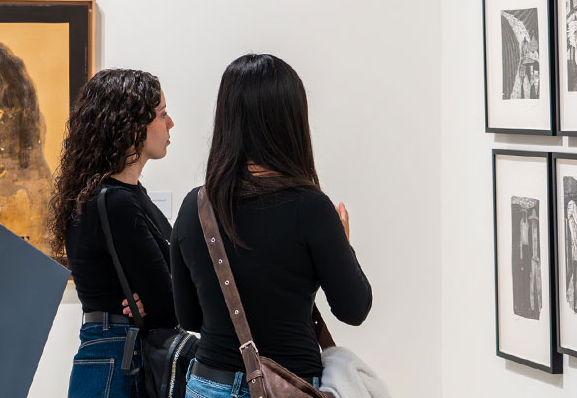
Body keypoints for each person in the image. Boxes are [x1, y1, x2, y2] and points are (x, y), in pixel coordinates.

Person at [170, 53, 373, 398]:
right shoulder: (311, 207)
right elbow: (354, 309)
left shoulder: (196, 207)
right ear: (290, 120)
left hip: (208, 384)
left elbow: (189, 318)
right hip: (290, 385)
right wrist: (344, 243)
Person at [48, 68, 176, 398]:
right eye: (161, 114)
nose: (170, 124)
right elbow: (168, 304)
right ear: (133, 126)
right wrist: (165, 298)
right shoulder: (114, 202)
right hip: (121, 358)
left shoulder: (125, 196)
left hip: (116, 354)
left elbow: (171, 290)